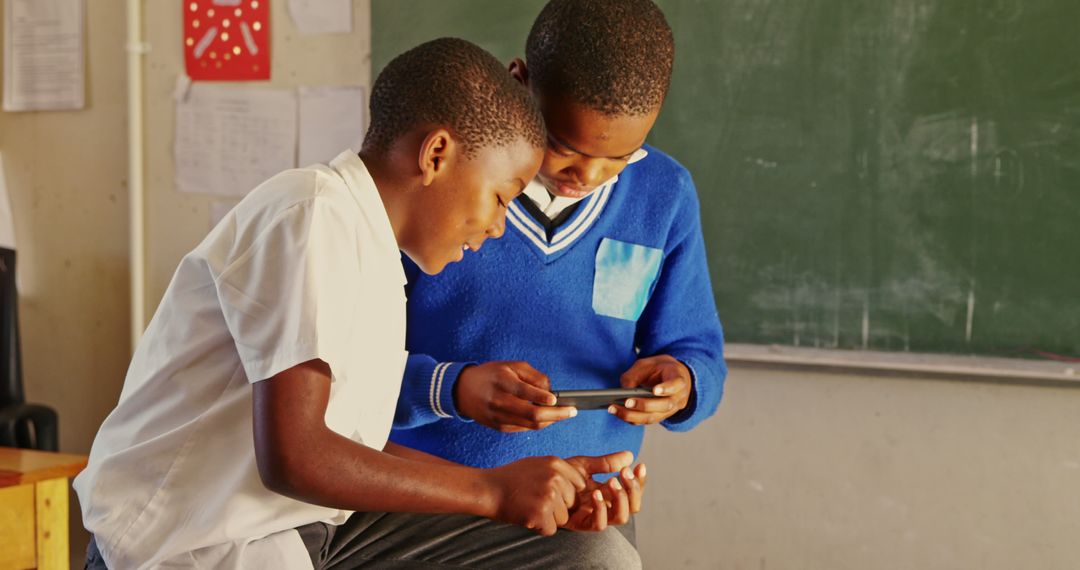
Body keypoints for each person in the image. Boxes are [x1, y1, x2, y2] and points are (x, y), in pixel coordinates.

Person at [75, 37, 639, 569]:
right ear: (436, 154)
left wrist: (529, 488)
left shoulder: (373, 250)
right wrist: (491, 491)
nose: (496, 228)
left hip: (304, 530)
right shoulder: (312, 214)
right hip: (186, 544)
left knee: (586, 556)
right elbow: (296, 457)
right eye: (500, 197)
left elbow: (358, 449)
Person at [390, 0, 728, 545]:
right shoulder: (444, 190)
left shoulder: (664, 195)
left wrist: (683, 384)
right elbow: (347, 372)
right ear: (519, 82)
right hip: (428, 494)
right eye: (563, 147)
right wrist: (451, 387)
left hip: (585, 501)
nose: (587, 176)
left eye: (621, 158)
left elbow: (697, 351)